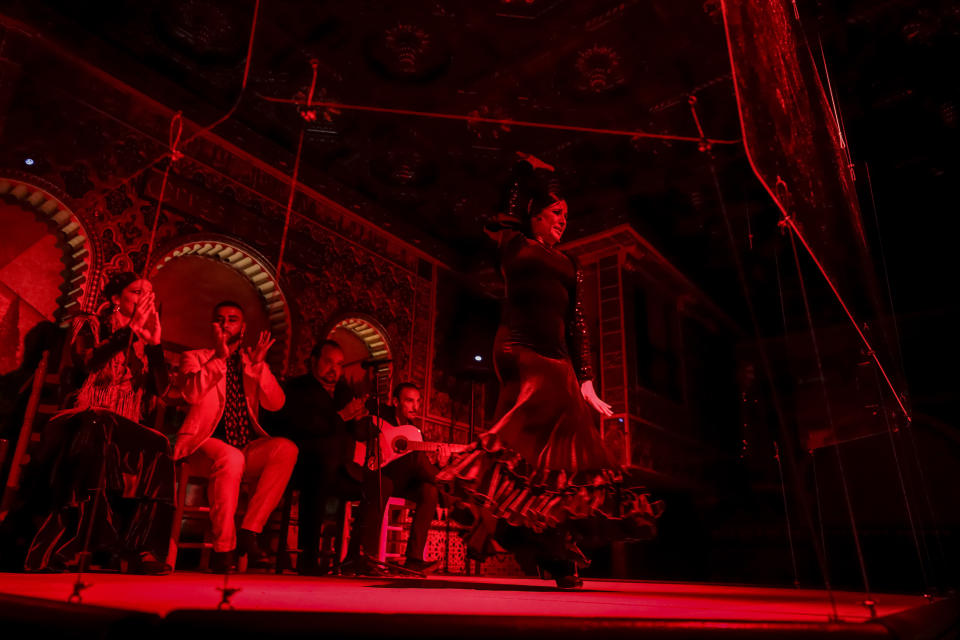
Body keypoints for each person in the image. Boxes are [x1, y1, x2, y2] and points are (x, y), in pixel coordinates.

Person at [437, 154, 662, 589]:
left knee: (557, 457)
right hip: (520, 352)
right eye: (556, 213)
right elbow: (507, 208)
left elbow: (576, 324)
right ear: (536, 214)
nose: (563, 222)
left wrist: (587, 379)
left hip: (558, 361)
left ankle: (554, 550)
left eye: (566, 217)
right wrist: (529, 172)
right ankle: (550, 548)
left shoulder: (569, 264)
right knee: (535, 445)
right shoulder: (513, 245)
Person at [20, 272, 174, 574]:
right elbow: (87, 361)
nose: (146, 300)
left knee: (159, 442)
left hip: (122, 427)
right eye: (137, 292)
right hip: (80, 418)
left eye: (150, 295)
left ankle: (142, 549)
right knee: (98, 422)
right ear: (116, 299)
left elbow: (162, 389)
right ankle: (74, 540)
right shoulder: (89, 322)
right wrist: (127, 333)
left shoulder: (146, 335)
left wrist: (154, 345)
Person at [173, 301, 296, 572]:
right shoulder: (195, 357)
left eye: (233, 319)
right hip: (201, 444)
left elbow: (276, 403)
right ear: (213, 326)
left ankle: (250, 531)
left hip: (243, 447)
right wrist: (219, 357)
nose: (226, 324)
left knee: (286, 449)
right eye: (221, 320)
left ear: (243, 327)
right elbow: (191, 394)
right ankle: (223, 549)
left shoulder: (251, 362)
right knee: (231, 458)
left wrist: (260, 367)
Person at [270, 339, 367, 575]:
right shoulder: (297, 388)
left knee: (377, 484)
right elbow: (303, 426)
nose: (334, 369)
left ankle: (357, 556)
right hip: (303, 465)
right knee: (321, 468)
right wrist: (342, 416)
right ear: (314, 361)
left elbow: (359, 434)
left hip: (340, 468)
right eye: (328, 362)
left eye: (339, 364)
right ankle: (308, 556)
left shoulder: (345, 392)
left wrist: (360, 417)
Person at [350, 382, 444, 575]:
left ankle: (414, 560)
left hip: (403, 483)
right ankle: (447, 485)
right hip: (381, 477)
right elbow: (357, 430)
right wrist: (378, 438)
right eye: (409, 401)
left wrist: (441, 463)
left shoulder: (416, 433)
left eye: (418, 401)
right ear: (395, 402)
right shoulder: (380, 417)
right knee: (389, 482)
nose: (415, 407)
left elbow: (420, 471)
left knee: (429, 490)